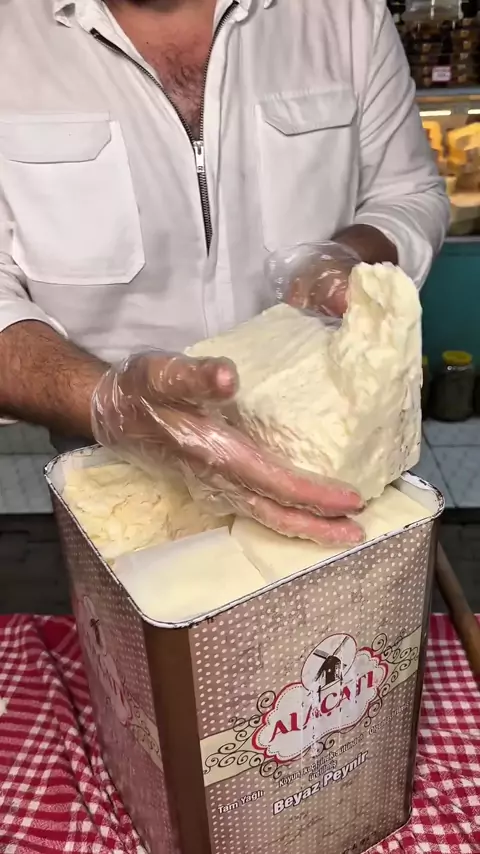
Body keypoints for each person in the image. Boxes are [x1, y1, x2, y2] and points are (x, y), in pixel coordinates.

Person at [0, 0, 449, 543]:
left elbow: (409, 193)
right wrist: (101, 398)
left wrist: (352, 254)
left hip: (332, 468)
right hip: (127, 491)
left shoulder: (343, 15)